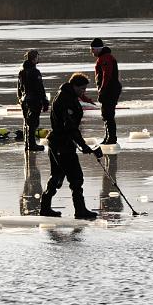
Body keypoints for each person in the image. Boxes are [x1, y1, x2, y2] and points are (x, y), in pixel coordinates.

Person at [38, 73, 103, 220]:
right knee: (75, 178)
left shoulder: (68, 95)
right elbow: (70, 127)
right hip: (62, 144)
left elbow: (71, 126)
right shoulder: (65, 99)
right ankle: (80, 210)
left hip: (60, 143)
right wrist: (83, 145)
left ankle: (45, 207)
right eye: (82, 89)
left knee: (57, 176)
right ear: (74, 86)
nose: (83, 92)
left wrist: (80, 144)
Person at [88, 38, 122, 145]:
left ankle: (111, 138)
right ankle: (108, 137)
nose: (91, 52)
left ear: (97, 49)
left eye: (92, 49)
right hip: (109, 90)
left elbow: (106, 75)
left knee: (108, 114)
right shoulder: (104, 57)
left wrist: (102, 90)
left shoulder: (105, 58)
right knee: (106, 114)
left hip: (109, 90)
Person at [17, 49, 49, 151]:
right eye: (37, 57)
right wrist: (45, 101)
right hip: (34, 100)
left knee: (27, 122)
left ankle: (27, 144)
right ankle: (32, 144)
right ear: (34, 59)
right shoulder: (35, 72)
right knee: (34, 122)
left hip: (24, 99)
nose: (39, 59)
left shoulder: (22, 71)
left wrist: (20, 99)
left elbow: (19, 88)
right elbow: (40, 88)